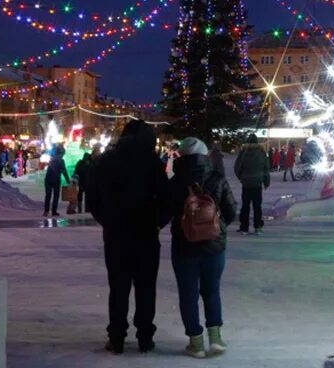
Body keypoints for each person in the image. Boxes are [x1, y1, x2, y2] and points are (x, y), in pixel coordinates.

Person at [87, 120, 170, 354]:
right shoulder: (152, 162)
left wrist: (108, 219)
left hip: (117, 234)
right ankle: (144, 337)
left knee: (119, 287)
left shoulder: (107, 161)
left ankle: (117, 338)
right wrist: (157, 222)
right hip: (145, 233)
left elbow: (93, 195)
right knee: (146, 288)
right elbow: (166, 197)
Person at [167, 137, 236, 358]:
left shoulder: (175, 182)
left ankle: (195, 342)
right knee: (211, 290)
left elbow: (164, 212)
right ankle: (215, 338)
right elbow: (231, 211)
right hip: (214, 246)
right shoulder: (217, 178)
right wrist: (217, 225)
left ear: (181, 156)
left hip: (184, 246)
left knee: (188, 294)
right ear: (205, 155)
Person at [234, 133, 270, 235]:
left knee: (245, 206)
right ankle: (257, 226)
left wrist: (241, 177)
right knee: (257, 206)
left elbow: (237, 167)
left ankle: (244, 227)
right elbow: (266, 169)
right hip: (257, 184)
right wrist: (266, 182)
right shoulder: (261, 152)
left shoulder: (243, 153)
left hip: (246, 184)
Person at [44, 146, 70, 217]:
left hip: (48, 179)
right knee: (56, 196)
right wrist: (68, 181)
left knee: (48, 195)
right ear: (61, 153)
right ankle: (54, 211)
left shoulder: (52, 159)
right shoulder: (61, 161)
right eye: (63, 154)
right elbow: (64, 171)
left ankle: (46, 211)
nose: (63, 155)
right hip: (56, 180)